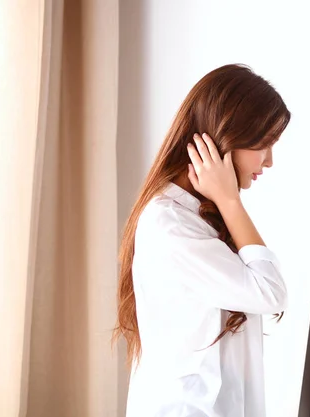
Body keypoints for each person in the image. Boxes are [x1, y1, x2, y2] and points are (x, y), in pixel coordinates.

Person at [112, 64, 291, 417]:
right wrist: (229, 200)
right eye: (264, 143)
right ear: (228, 134)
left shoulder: (199, 218)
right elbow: (270, 292)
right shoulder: (170, 222)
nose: (269, 161)